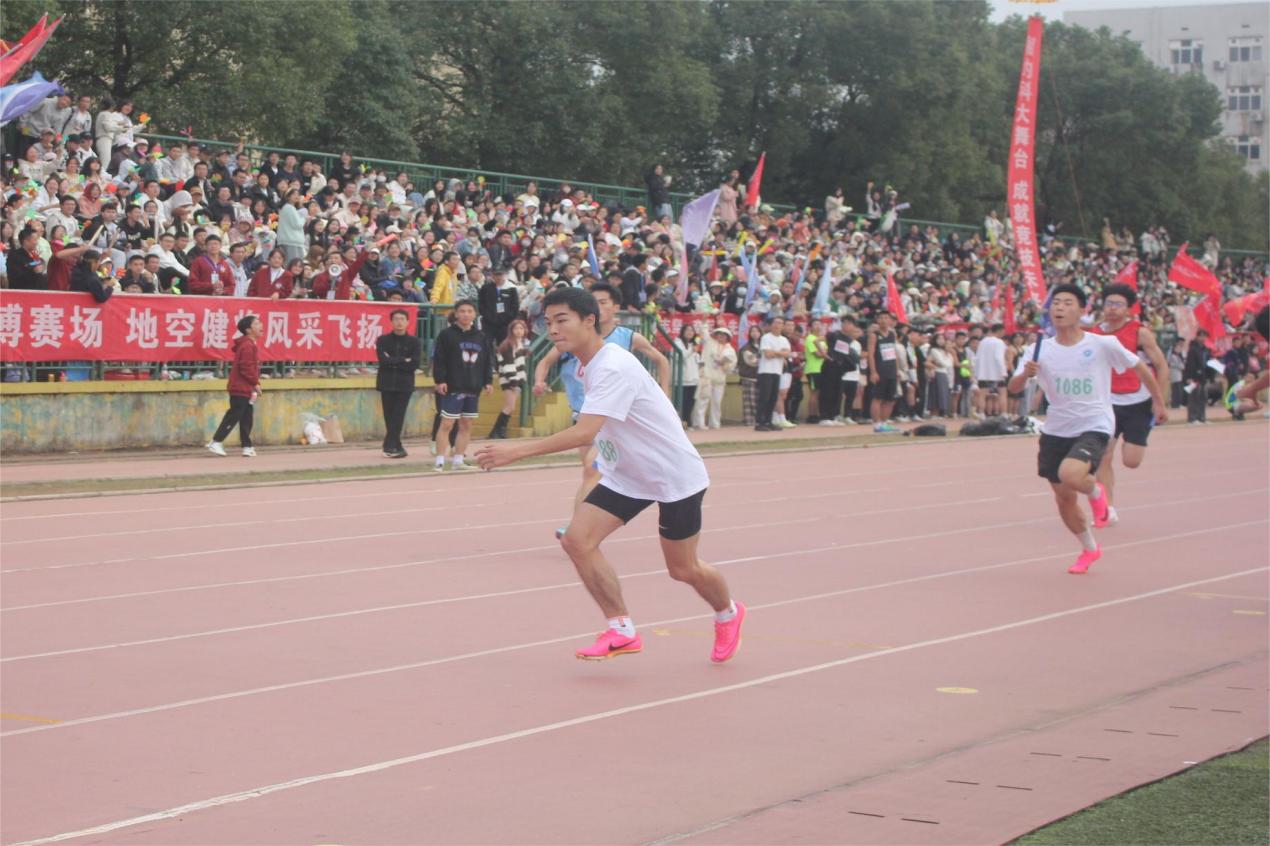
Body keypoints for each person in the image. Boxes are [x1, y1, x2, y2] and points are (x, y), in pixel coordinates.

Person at [475, 287, 745, 663]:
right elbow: (606, 427)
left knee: (683, 569)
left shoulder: (613, 366)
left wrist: (515, 451)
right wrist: (604, 456)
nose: (553, 330)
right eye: (548, 322)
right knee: (577, 541)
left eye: (562, 320)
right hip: (629, 475)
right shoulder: (589, 364)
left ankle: (728, 613)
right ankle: (621, 630)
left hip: (672, 476)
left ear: (589, 321)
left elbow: (584, 431)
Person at [1006, 284, 1163, 575]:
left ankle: (1095, 492)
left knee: (1071, 473)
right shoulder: (1038, 349)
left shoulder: (1101, 344)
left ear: (1081, 311)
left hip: (1094, 423)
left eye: (1068, 303)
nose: (1060, 308)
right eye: (1056, 303)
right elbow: (1014, 387)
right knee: (1064, 498)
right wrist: (1025, 374)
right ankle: (1090, 549)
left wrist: (1158, 400)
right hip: (1056, 428)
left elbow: (1140, 367)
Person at [534, 284, 672, 535]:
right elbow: (545, 361)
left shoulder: (626, 338)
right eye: (594, 301)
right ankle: (585, 526)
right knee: (593, 473)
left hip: (608, 418)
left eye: (603, 302)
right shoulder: (571, 337)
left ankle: (578, 528)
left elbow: (661, 359)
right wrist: (539, 381)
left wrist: (665, 394)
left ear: (615, 307)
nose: (599, 306)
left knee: (592, 469)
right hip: (582, 413)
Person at [1089, 284, 1170, 526]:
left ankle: (1133, 437)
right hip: (1107, 403)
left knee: (1131, 461)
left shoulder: (1140, 333)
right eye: (1109, 304)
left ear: (1128, 309)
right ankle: (1107, 508)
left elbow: (1162, 366)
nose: (1112, 309)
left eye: (1118, 305)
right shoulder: (1094, 333)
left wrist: (1159, 401)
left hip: (1139, 402)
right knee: (1104, 455)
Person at [431, 300, 493, 472]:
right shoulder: (446, 335)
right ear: (456, 314)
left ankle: (458, 460)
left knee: (466, 424)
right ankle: (440, 461)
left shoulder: (481, 337)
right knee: (447, 424)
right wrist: (440, 380)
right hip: (453, 386)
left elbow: (487, 361)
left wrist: (488, 381)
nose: (466, 314)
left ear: (475, 314)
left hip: (473, 387)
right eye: (462, 311)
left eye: (469, 311)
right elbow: (439, 359)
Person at [207, 316, 262, 458]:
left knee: (246, 417)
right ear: (248, 330)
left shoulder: (249, 344)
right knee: (234, 416)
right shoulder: (248, 345)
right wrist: (256, 383)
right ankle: (216, 441)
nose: (261, 326)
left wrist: (253, 384)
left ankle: (247, 446)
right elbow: (246, 368)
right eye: (256, 323)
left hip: (245, 388)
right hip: (240, 388)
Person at [376, 309, 422, 458]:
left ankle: (389, 446)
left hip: (405, 384)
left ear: (408, 322)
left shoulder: (414, 342)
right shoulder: (383, 340)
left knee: (398, 415)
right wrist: (403, 359)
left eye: (402, 319)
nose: (399, 322)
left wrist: (394, 361)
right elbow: (384, 361)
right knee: (389, 415)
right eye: (396, 319)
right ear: (391, 321)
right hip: (386, 382)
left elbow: (414, 364)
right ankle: (397, 445)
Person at [491, 318, 531, 439]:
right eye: (516, 328)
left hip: (516, 379)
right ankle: (496, 431)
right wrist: (513, 381)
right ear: (511, 330)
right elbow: (508, 364)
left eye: (521, 328)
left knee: (511, 407)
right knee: (509, 406)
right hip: (509, 380)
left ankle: (500, 430)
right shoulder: (508, 344)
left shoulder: (520, 344)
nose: (519, 331)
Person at [694, 326, 737, 429]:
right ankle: (699, 423)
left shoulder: (730, 349)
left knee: (717, 402)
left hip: (720, 378)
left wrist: (724, 365)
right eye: (719, 334)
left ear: (727, 337)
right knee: (703, 399)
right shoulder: (710, 343)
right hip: (707, 376)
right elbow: (704, 332)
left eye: (723, 335)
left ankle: (715, 423)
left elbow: (732, 364)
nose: (721, 336)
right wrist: (704, 322)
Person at [866, 311, 901, 432]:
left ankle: (884, 422)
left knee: (890, 399)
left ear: (890, 320)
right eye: (881, 318)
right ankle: (877, 424)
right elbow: (870, 355)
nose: (884, 320)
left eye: (886, 318)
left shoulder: (892, 334)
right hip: (880, 370)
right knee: (878, 398)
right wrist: (873, 372)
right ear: (877, 320)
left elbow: (894, 352)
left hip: (891, 369)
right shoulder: (874, 335)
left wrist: (897, 369)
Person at [755, 316, 790, 431]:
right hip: (766, 371)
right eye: (775, 322)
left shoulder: (784, 340)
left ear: (783, 326)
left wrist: (775, 352)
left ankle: (768, 421)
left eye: (780, 323)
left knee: (773, 398)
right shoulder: (766, 337)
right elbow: (767, 355)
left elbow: (787, 354)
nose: (777, 325)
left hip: (777, 371)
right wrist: (780, 353)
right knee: (764, 397)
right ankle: (759, 422)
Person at [973, 323, 1008, 417]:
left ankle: (981, 413)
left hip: (983, 373)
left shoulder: (982, 342)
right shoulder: (999, 342)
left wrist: (977, 373)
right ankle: (1004, 413)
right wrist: (1003, 371)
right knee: (1002, 393)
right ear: (1000, 331)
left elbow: (977, 358)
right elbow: (999, 357)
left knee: (982, 394)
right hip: (997, 373)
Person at [1183, 330, 1212, 425]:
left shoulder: (1206, 350)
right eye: (1201, 336)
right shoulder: (1193, 349)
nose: (1203, 338)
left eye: (1204, 336)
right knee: (1194, 397)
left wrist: (1210, 375)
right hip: (1194, 376)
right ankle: (1192, 418)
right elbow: (1189, 364)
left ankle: (1202, 417)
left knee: (1202, 397)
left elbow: (1208, 363)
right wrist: (1189, 377)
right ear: (1197, 337)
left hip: (1203, 376)